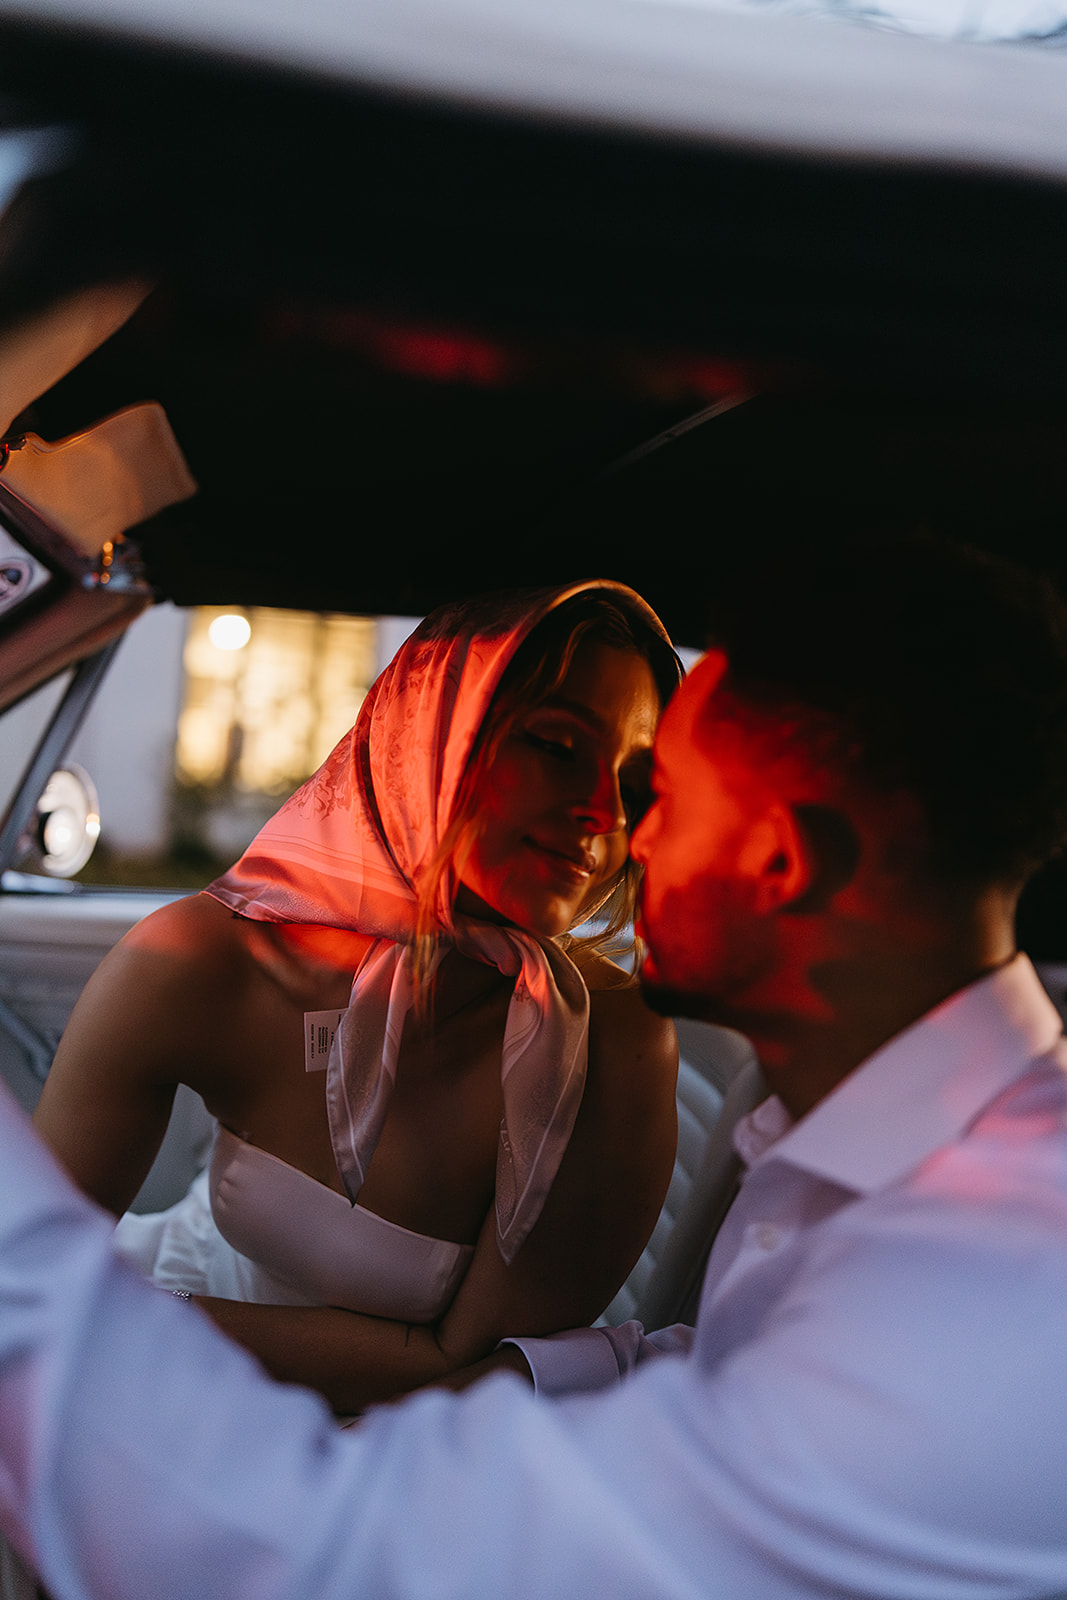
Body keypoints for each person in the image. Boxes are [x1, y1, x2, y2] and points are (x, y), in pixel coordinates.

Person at [3, 530, 1067, 1598]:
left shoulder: (974, 1284)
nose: (620, 834)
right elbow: (711, 1380)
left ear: (781, 859)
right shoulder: (847, 1162)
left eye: (662, 792)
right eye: (564, 750)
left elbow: (344, 1549)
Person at [29, 580, 681, 1416]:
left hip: (400, 1438)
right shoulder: (198, 961)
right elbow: (36, 1274)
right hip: (156, 1326)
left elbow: (461, 1367)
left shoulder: (612, 1047)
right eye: (557, 745)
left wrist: (130, 1324)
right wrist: (115, 1324)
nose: (604, 814)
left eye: (635, 781)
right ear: (428, 735)